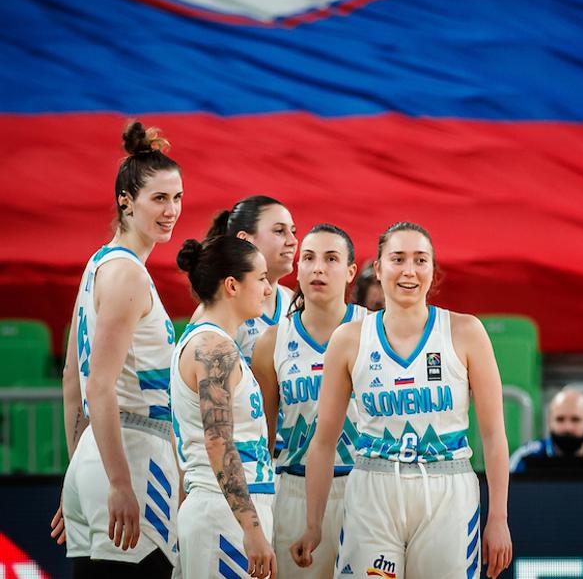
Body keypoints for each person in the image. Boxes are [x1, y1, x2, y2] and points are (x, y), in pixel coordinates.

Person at [291, 221, 513, 578]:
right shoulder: (349, 339)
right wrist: (314, 523)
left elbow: (493, 436)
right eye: (398, 259)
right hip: (372, 488)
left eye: (420, 260)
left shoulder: (466, 331)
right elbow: (324, 441)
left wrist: (498, 518)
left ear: (432, 270)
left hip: (448, 488)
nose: (409, 271)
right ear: (378, 268)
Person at [54, 121, 183, 577]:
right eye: (159, 198)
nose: (172, 211)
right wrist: (118, 482)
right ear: (125, 202)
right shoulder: (127, 273)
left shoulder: (96, 264)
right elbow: (98, 385)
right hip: (133, 457)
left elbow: (72, 377)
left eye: (177, 198)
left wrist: (81, 471)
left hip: (96, 455)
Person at [251, 224, 368, 579]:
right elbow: (264, 438)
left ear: (350, 271)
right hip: (294, 491)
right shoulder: (271, 342)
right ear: (297, 268)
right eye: (309, 258)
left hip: (366, 488)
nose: (318, 267)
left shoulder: (376, 331)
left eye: (331, 259)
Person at [171, 235, 277, 579]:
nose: (268, 289)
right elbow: (217, 441)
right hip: (224, 515)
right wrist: (251, 529)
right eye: (261, 278)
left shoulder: (204, 339)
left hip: (217, 510)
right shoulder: (214, 348)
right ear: (232, 285)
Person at [201, 195, 297, 362]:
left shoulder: (294, 302)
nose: (293, 241)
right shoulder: (218, 307)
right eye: (279, 231)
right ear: (244, 240)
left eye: (293, 231)